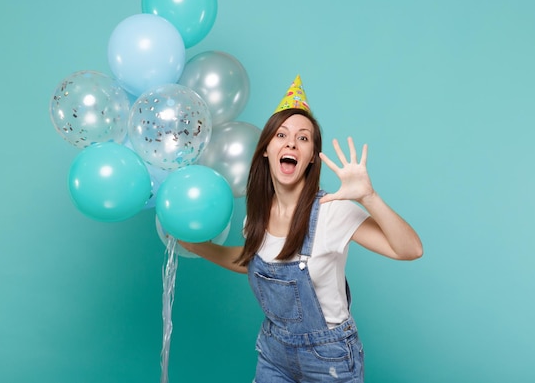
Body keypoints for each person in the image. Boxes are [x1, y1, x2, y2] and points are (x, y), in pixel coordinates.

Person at [179, 75, 423, 382]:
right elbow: (252, 259)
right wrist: (198, 247)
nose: (291, 142)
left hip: (329, 358)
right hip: (274, 352)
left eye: (303, 138)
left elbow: (410, 249)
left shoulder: (333, 211)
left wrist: (369, 198)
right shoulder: (256, 215)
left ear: (310, 159)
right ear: (266, 149)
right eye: (281, 135)